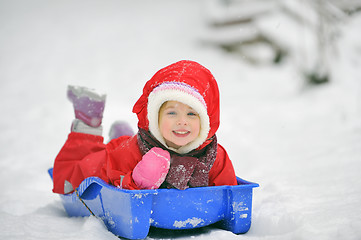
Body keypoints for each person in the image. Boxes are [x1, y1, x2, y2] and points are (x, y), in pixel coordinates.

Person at [52, 60, 237, 194]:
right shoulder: (134, 151)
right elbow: (107, 187)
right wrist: (138, 181)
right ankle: (88, 122)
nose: (182, 121)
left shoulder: (214, 156)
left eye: (191, 114)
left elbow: (231, 193)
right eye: (172, 113)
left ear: (205, 121)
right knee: (71, 178)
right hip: (118, 154)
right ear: (155, 118)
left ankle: (120, 134)